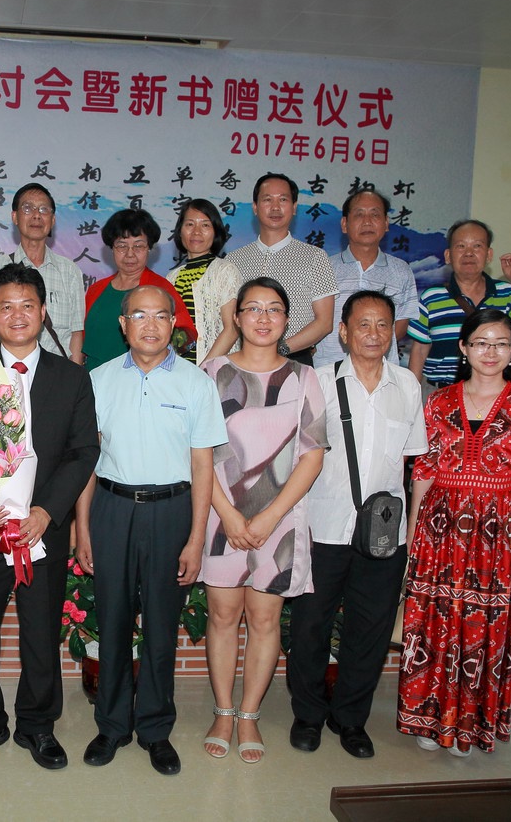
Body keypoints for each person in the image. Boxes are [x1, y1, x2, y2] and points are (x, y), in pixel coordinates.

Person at [0, 263, 99, 770]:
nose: (18, 315)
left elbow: (83, 451)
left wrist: (47, 511)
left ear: (43, 312)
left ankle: (37, 725)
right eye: (6, 307)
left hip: (43, 531)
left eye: (27, 306)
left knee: (40, 632)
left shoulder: (72, 378)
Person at [75, 284, 225, 776]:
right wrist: (83, 526)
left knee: (162, 627)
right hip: (112, 509)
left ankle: (156, 730)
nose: (151, 325)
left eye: (161, 315)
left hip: (171, 511)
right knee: (113, 621)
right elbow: (87, 461)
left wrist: (196, 538)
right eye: (139, 315)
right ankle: (112, 725)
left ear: (173, 324)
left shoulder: (195, 383)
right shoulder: (98, 380)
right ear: (124, 325)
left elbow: (203, 466)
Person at [397, 308, 511, 756]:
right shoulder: (439, 402)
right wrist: (413, 533)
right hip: (439, 527)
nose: (491, 351)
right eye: (481, 342)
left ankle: (467, 724)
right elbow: (423, 471)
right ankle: (429, 718)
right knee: (433, 621)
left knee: (484, 627)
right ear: (463, 348)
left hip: (497, 533)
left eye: (501, 343)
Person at [288, 290, 427, 759]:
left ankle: (350, 719)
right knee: (310, 625)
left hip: (384, 534)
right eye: (363, 324)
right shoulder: (318, 381)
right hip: (323, 525)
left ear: (393, 333)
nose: (374, 333)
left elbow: (412, 463)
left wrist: (413, 528)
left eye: (383, 324)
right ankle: (308, 715)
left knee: (370, 630)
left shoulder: (407, 385)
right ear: (344, 332)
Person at [198, 276, 327, 764]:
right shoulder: (212, 373)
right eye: (253, 308)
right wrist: (229, 515)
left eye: (274, 309)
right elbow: (200, 453)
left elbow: (312, 454)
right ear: (237, 318)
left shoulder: (304, 377)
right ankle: (223, 711)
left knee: (266, 618)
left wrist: (271, 516)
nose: (263, 317)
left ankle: (249, 714)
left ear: (287, 319)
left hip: (280, 518)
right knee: (222, 615)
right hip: (220, 516)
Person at [407, 219, 511, 390]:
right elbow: (419, 351)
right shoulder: (432, 297)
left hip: (493, 394)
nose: (469, 253)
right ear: (448, 256)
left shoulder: (507, 294)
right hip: (441, 393)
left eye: (477, 246)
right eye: (461, 246)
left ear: (489, 255)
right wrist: (411, 396)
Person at [213, 172, 338, 365]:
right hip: (242, 361)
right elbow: (227, 320)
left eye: (283, 199)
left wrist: (280, 349)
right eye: (267, 199)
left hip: (295, 359)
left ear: (294, 207)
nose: (275, 207)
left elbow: (324, 323)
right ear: (255, 207)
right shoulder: (233, 260)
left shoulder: (315, 257)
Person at [312, 190, 419, 368]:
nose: (367, 221)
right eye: (359, 214)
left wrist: (371, 347)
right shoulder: (324, 267)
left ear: (386, 223)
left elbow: (400, 325)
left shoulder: (401, 270)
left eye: (375, 214)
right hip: (328, 370)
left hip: (382, 371)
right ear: (344, 224)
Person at [0, 183, 86, 363]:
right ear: (15, 217)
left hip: (55, 373)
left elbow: (76, 333)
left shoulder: (69, 271)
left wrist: (74, 376)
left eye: (44, 209)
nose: (37, 215)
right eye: (28, 208)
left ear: (53, 220)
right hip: (4, 372)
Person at [82, 209, 197, 372]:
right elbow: (81, 339)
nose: (130, 254)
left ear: (149, 248)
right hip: (93, 377)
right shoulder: (96, 289)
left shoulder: (160, 288)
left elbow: (186, 338)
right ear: (112, 248)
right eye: (122, 246)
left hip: (143, 378)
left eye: (138, 246)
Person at [165, 198, 242, 364]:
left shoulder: (225, 271)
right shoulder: (171, 278)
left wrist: (203, 370)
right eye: (190, 224)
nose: (196, 232)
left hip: (216, 371)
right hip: (179, 371)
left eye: (205, 225)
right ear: (180, 231)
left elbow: (232, 329)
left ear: (215, 232)